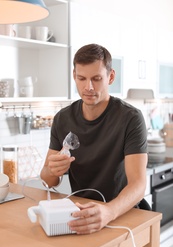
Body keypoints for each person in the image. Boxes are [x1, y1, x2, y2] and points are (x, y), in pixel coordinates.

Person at [40, 43, 148, 235]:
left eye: (96, 79)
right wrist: (52, 169)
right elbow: (48, 180)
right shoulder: (62, 118)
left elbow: (138, 185)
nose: (88, 87)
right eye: (81, 78)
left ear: (111, 76)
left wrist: (109, 211)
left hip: (122, 212)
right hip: (81, 212)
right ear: (74, 75)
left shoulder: (130, 118)